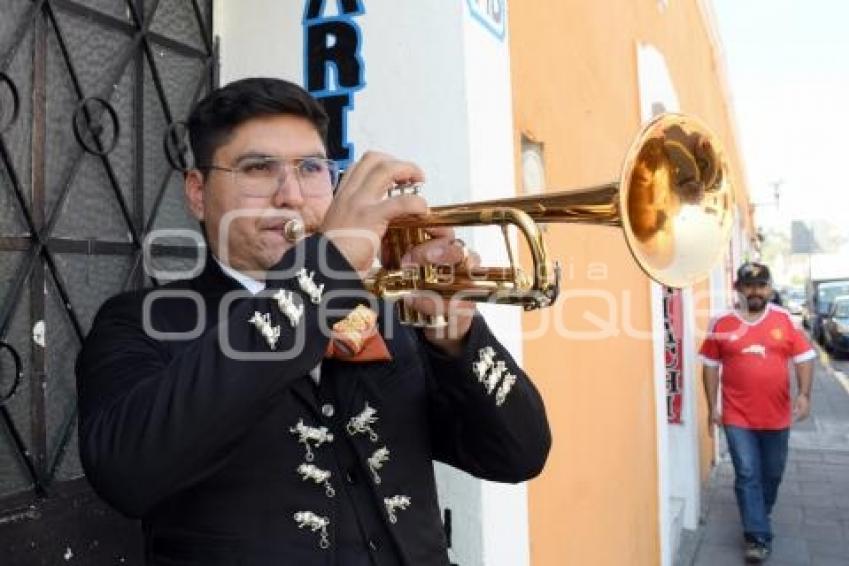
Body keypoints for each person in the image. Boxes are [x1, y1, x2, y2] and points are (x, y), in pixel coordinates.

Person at [75, 77, 551, 565]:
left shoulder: (389, 312)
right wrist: (326, 271)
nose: (292, 194)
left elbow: (518, 453)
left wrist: (457, 338)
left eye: (311, 168)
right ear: (198, 192)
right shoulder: (143, 321)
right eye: (259, 168)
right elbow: (124, 472)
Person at [700, 261, 814, 564]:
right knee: (747, 473)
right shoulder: (720, 322)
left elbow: (804, 357)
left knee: (772, 473)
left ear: (770, 288)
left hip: (777, 416)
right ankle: (757, 536)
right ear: (737, 288)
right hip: (737, 416)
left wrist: (804, 394)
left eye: (761, 285)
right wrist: (713, 407)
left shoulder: (785, 320)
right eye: (748, 285)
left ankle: (759, 512)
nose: (755, 291)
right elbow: (710, 368)